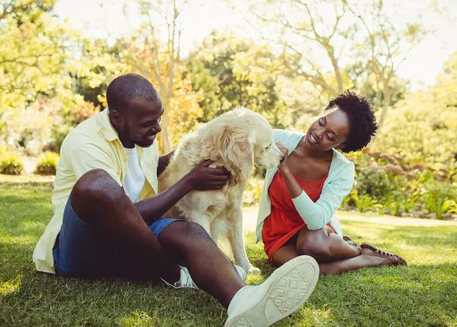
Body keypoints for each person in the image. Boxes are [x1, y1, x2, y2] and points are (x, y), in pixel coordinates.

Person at [33, 73, 320, 327]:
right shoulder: (86, 142)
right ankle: (174, 274)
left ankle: (243, 301)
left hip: (131, 241)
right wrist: (189, 182)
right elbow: (117, 210)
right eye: (149, 123)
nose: (157, 128)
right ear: (117, 117)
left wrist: (192, 152)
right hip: (82, 251)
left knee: (190, 229)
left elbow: (145, 169)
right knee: (97, 184)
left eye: (158, 118)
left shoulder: (141, 132)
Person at [256, 91, 407, 274]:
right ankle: (364, 257)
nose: (319, 133)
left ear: (342, 145)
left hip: (315, 232)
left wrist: (285, 171)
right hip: (278, 232)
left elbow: (316, 220)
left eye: (331, 137)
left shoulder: (342, 169)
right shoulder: (279, 138)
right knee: (306, 270)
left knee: (312, 246)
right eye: (321, 122)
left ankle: (353, 249)